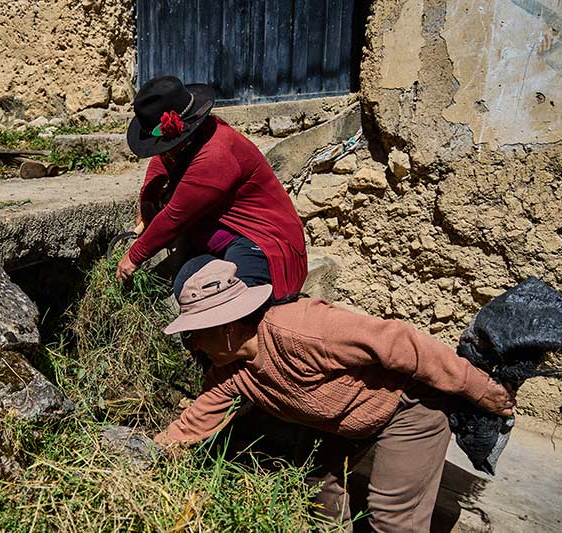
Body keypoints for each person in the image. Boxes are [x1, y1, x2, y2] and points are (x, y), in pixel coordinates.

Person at [155, 257, 517, 532]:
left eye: (197, 331)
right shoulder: (229, 370)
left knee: (392, 517)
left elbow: (401, 343)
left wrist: (478, 387)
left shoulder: (301, 328)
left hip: (406, 409)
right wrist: (151, 455)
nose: (193, 341)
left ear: (229, 326)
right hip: (343, 423)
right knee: (319, 492)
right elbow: (194, 423)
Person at [116, 75, 306, 299]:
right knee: (187, 287)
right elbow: (160, 163)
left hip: (262, 241)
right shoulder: (191, 139)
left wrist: (133, 257)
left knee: (236, 294)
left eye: (165, 147)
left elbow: (175, 216)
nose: (163, 152)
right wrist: (148, 198)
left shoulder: (215, 154)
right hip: (218, 244)